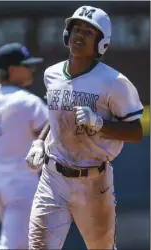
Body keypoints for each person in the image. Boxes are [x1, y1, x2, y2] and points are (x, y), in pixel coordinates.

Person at [26, 5, 144, 250]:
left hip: (94, 180)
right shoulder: (52, 74)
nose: (79, 35)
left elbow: (135, 132)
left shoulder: (115, 83)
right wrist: (40, 140)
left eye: (89, 33)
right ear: (66, 35)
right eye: (76, 29)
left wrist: (100, 123)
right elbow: (57, 113)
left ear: (101, 43)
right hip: (53, 177)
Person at [0, 43, 48, 249]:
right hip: (22, 184)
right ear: (12, 70)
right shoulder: (28, 102)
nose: (31, 70)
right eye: (26, 65)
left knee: (29, 244)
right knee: (14, 246)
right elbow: (51, 134)